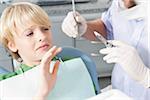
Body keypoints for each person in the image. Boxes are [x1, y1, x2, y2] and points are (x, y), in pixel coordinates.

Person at [61, 0, 149, 99]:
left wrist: (145, 77)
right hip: (121, 92)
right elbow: (108, 27)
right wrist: (85, 28)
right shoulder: (120, 2)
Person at [0, 2, 62, 99]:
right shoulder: (5, 84)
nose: (42, 36)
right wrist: (43, 92)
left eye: (45, 28)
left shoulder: (75, 62)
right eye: (29, 34)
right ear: (12, 45)